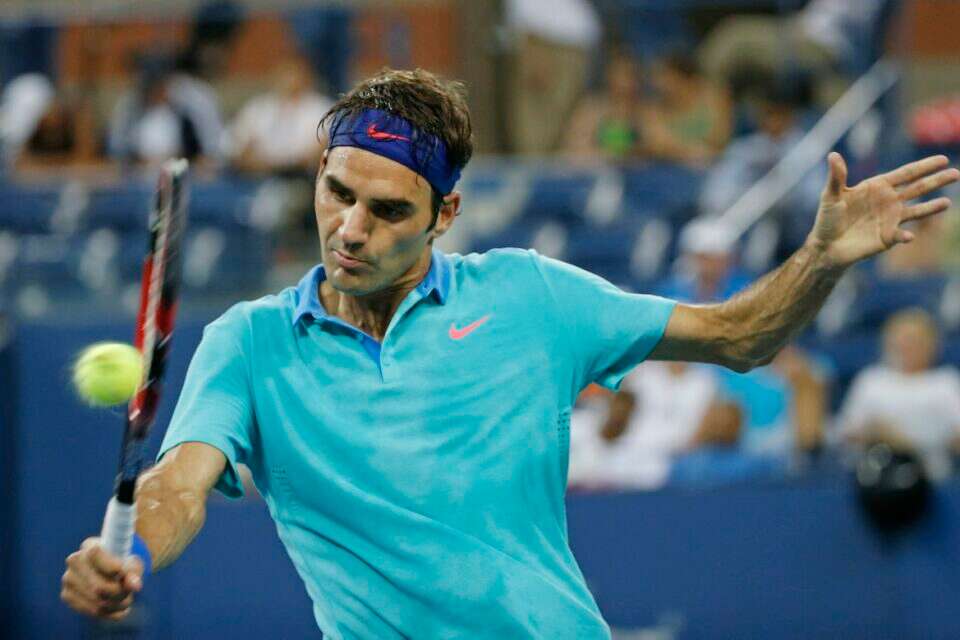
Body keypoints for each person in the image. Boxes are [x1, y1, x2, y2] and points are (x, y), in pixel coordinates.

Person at [60, 68, 958, 637]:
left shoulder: (531, 296)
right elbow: (179, 483)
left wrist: (820, 258)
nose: (350, 229)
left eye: (389, 211)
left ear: (445, 215)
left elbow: (738, 336)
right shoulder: (249, 344)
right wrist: (129, 555)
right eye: (337, 194)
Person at [839, 308, 960, 481]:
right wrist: (876, 432)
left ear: (932, 344)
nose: (907, 347)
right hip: (876, 474)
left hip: (931, 475)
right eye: (901, 340)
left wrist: (911, 445)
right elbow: (847, 432)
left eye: (915, 341)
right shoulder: (871, 380)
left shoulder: (946, 382)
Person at [643, 52, 732, 166]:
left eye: (663, 77)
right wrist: (692, 149)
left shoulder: (714, 97)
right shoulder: (654, 108)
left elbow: (720, 139)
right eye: (656, 78)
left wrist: (674, 146)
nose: (657, 84)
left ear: (680, 76)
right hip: (673, 167)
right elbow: (656, 144)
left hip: (715, 164)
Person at [564, 50, 646, 161]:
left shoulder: (646, 112)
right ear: (609, 77)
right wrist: (614, 157)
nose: (629, 82)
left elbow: (657, 147)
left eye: (633, 75)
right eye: (623, 75)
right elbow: (575, 149)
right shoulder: (591, 110)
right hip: (598, 168)